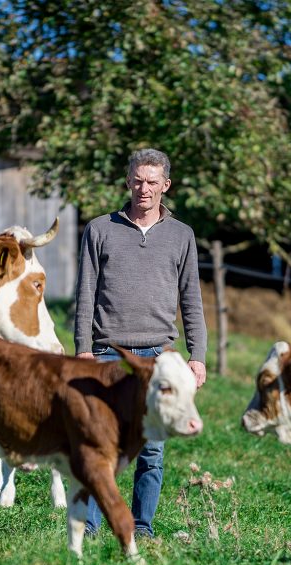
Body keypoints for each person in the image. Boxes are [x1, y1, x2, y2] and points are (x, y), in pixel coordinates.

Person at [75, 148, 207, 539]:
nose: (143, 189)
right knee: (100, 442)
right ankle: (92, 527)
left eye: (152, 182)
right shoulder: (100, 229)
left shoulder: (182, 236)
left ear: (166, 185)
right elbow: (85, 293)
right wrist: (83, 349)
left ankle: (142, 527)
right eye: (137, 180)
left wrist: (197, 356)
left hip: (158, 356)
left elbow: (191, 300)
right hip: (108, 353)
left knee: (152, 448)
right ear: (127, 181)